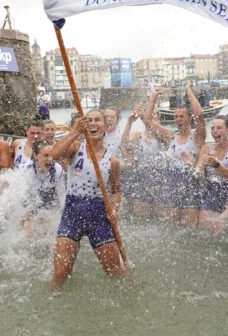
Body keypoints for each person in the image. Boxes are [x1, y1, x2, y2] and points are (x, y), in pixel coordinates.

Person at [52, 110, 125, 286]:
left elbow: (116, 192)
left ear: (106, 127)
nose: (93, 123)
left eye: (98, 120)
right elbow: (54, 155)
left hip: (98, 217)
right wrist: (75, 131)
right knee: (60, 274)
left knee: (116, 274)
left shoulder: (112, 161)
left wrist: (114, 209)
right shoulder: (76, 147)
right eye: (89, 120)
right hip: (72, 214)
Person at [142, 82, 206, 226]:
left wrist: (188, 89)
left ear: (189, 118)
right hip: (172, 185)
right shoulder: (170, 136)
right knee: (171, 228)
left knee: (189, 230)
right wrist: (154, 96)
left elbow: (200, 115)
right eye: (176, 117)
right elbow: (147, 121)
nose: (178, 119)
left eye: (181, 117)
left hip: (191, 186)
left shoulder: (197, 137)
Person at [20, 140, 65, 237]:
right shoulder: (26, 169)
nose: (50, 159)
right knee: (28, 231)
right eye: (46, 155)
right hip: (28, 200)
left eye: (52, 155)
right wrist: (25, 219)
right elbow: (20, 198)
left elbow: (62, 196)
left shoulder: (57, 170)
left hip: (47, 199)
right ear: (36, 156)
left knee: (50, 231)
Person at [196, 116, 228, 229]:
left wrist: (216, 164)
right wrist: (195, 169)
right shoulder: (207, 148)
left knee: (220, 228)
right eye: (212, 128)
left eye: (219, 128)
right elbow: (199, 169)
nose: (215, 131)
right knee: (203, 226)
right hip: (210, 190)